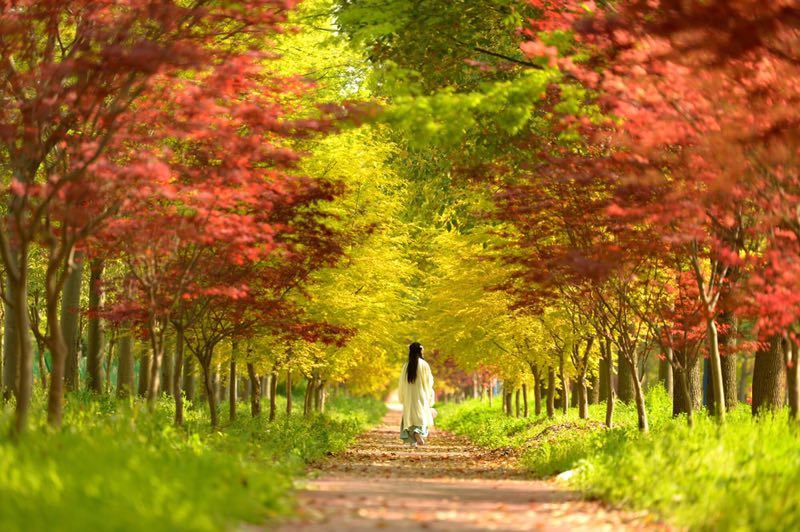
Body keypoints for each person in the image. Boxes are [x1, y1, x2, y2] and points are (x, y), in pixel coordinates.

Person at [398, 341, 435, 446]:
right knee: (421, 415)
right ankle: (417, 432)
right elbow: (429, 381)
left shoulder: (406, 366)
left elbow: (401, 383)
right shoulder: (424, 365)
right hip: (421, 394)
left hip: (409, 396)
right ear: (420, 351)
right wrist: (430, 394)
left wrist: (403, 396)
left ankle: (412, 440)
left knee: (409, 416)